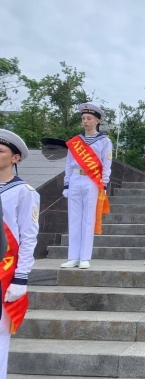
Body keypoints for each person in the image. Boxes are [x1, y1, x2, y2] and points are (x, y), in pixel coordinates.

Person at [0, 129, 40, 377]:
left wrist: (21, 277)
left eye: (0, 151)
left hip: (4, 272)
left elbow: (28, 237)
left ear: (15, 158)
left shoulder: (24, 192)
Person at [61, 103, 113, 269]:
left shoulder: (104, 141)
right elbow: (69, 165)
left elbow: (107, 164)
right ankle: (73, 257)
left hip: (92, 180)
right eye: (83, 118)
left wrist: (103, 184)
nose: (85, 121)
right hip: (76, 178)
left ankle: (84, 257)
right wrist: (67, 184)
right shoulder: (75, 142)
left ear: (97, 121)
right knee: (74, 218)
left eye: (89, 118)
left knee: (88, 218)